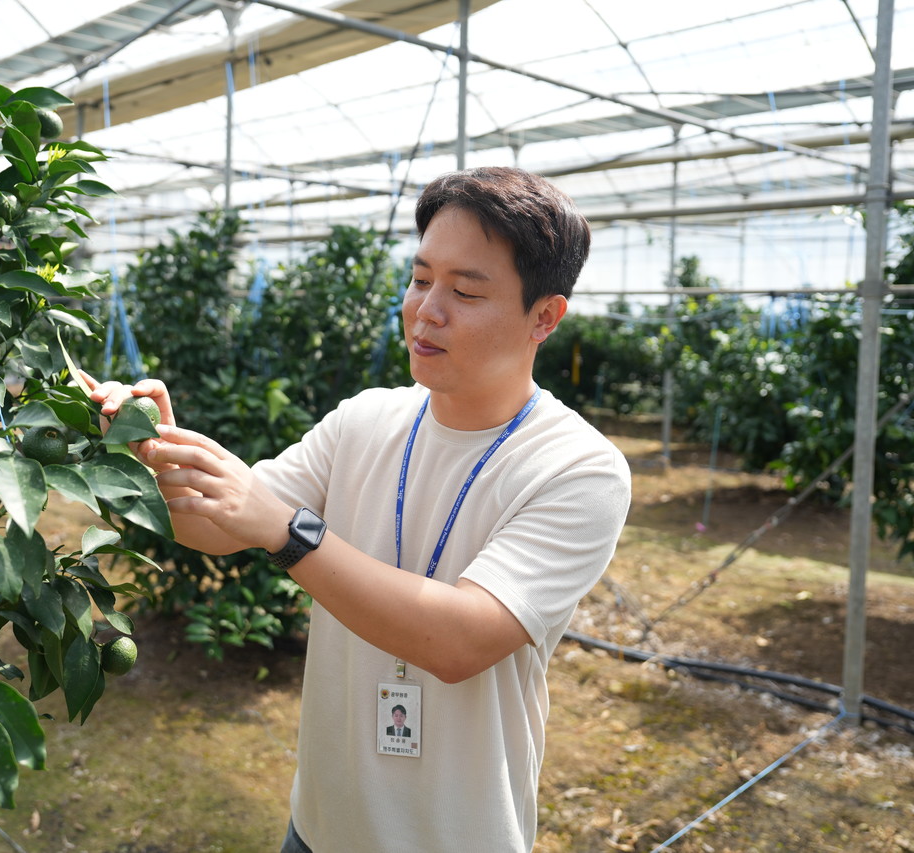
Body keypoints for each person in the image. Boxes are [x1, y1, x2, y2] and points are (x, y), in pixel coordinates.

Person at [84, 166, 631, 852]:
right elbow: (216, 523)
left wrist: (287, 530)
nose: (427, 309)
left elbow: (460, 640)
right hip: (316, 828)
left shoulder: (577, 466)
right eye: (421, 277)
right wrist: (148, 456)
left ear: (544, 316)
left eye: (464, 290)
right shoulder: (366, 420)